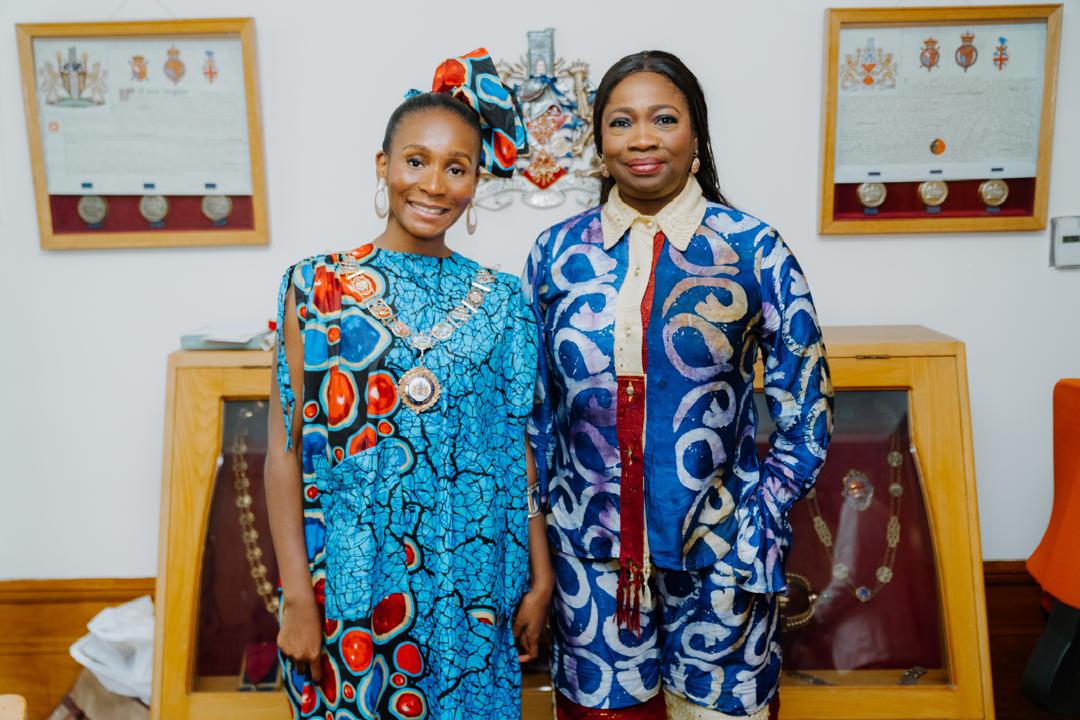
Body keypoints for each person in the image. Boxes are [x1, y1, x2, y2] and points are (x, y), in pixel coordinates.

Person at [524, 51, 834, 720]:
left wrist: (760, 516)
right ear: (599, 142)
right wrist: (540, 542)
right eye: (621, 122)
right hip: (588, 564)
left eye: (663, 119)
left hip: (723, 559)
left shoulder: (754, 249)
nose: (642, 138)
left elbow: (807, 409)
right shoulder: (555, 253)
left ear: (696, 137)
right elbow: (535, 416)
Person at [265, 49, 553, 720]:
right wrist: (298, 597)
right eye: (416, 161)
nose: (433, 185)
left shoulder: (503, 300)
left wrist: (539, 577)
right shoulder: (317, 286)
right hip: (351, 580)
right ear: (383, 166)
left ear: (476, 181)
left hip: (473, 578)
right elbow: (284, 450)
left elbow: (517, 449)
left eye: (457, 168)